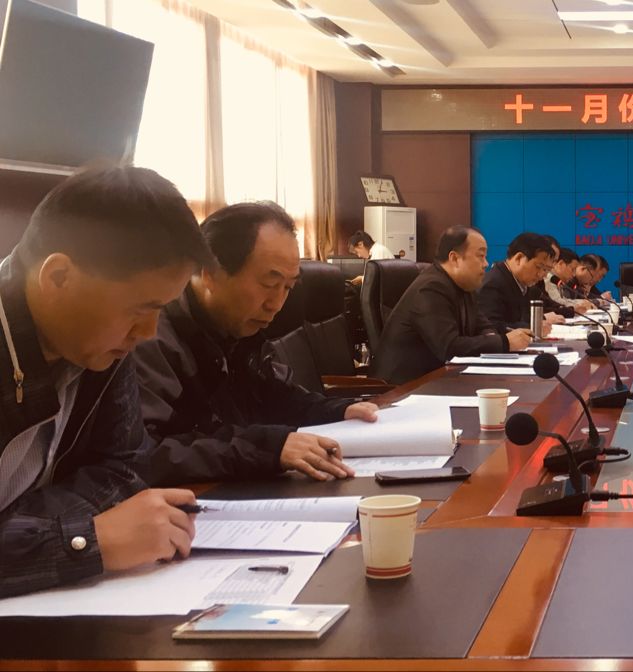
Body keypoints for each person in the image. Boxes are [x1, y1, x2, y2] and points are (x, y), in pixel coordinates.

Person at [0, 166, 215, 598]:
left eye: (161, 310)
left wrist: (23, 530)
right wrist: (84, 540)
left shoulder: (96, 346)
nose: (149, 332)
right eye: (140, 310)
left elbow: (125, 466)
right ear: (58, 277)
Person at [134, 202, 377, 486]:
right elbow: (146, 454)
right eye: (269, 284)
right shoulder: (149, 337)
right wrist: (266, 448)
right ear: (211, 272)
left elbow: (275, 398)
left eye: (287, 287)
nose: (277, 304)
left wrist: (337, 411)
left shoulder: (241, 329)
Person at [373, 227, 532, 385]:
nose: (486, 263)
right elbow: (449, 347)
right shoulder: (431, 288)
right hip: (403, 387)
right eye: (481, 256)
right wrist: (504, 342)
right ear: (455, 258)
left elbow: (483, 326)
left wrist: (492, 338)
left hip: (440, 379)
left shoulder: (464, 286)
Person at [479, 232, 562, 333]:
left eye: (545, 269)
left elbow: (521, 318)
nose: (541, 275)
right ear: (519, 258)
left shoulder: (523, 284)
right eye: (538, 267)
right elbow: (491, 327)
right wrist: (533, 327)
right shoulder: (493, 284)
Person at [546, 246, 593, 314]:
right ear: (561, 264)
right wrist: (582, 303)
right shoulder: (549, 278)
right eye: (572, 269)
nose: (574, 275)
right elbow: (557, 301)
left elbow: (563, 300)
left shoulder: (559, 281)